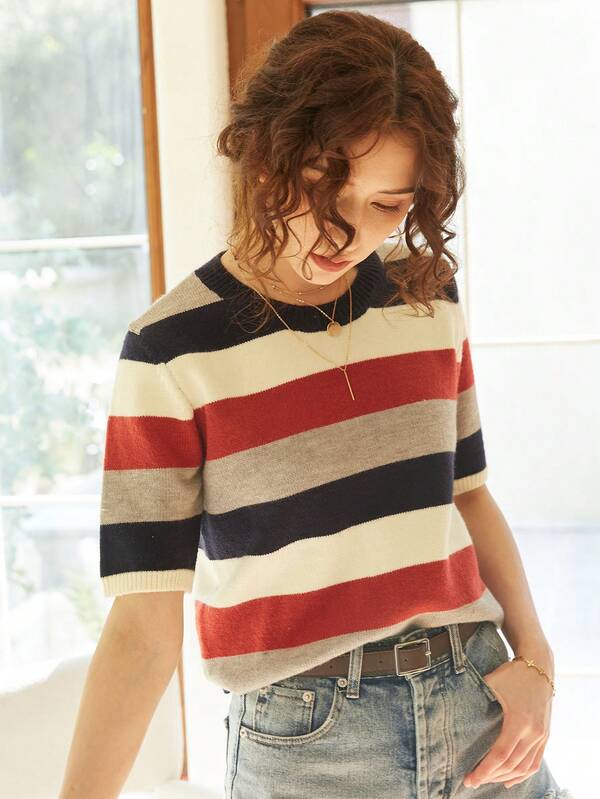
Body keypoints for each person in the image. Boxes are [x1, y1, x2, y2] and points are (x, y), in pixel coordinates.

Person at [60, 10, 573, 799]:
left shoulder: (425, 297)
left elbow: (467, 495)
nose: (347, 232)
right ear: (267, 149)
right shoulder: (171, 350)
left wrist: (536, 660)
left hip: (477, 705)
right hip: (309, 745)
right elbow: (141, 630)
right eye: (322, 188)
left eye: (387, 205)